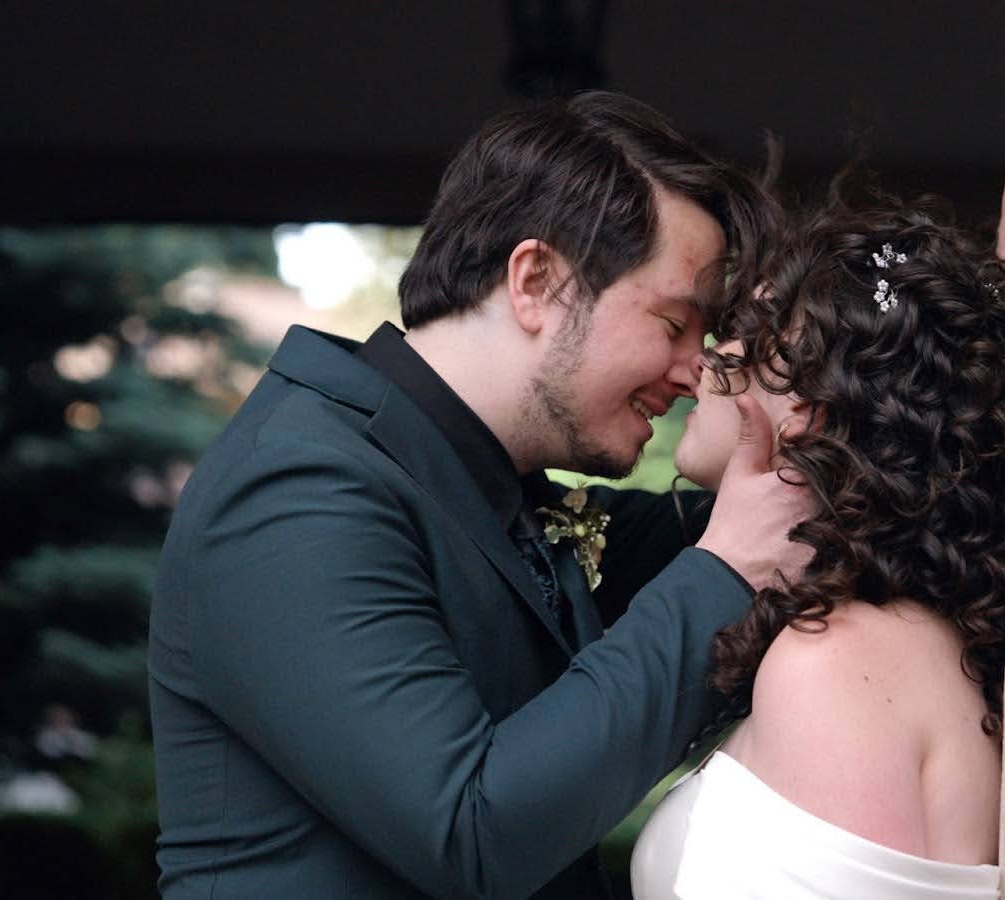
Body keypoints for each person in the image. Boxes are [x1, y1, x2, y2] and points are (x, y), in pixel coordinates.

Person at [147, 91, 813, 900]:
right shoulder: (294, 490)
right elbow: (472, 834)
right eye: (674, 323)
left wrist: (990, 317)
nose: (692, 372)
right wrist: (732, 565)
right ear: (536, 280)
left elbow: (798, 521)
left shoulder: (488, 488)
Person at [631, 159, 1005, 899]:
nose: (706, 362)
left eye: (746, 334)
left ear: (811, 411)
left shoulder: (836, 664)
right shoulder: (904, 637)